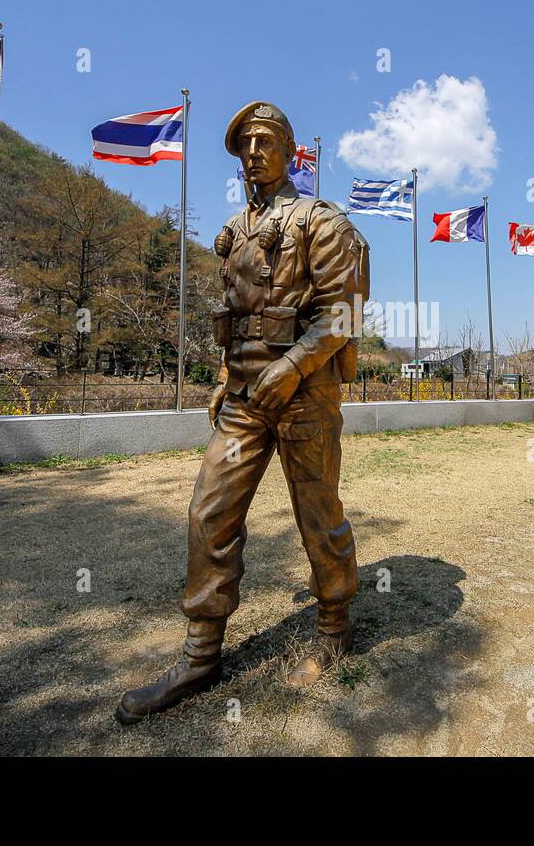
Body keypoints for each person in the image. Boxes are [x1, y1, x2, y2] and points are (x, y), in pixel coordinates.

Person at [116, 101, 370, 724]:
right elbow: (237, 315)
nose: (252, 153)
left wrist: (293, 368)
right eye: (243, 146)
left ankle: (333, 625)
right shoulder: (233, 232)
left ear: (289, 150)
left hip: (304, 392)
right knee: (210, 509)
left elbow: (345, 312)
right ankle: (202, 654)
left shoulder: (322, 222)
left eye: (263, 141)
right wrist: (227, 375)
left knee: (319, 512)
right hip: (244, 397)